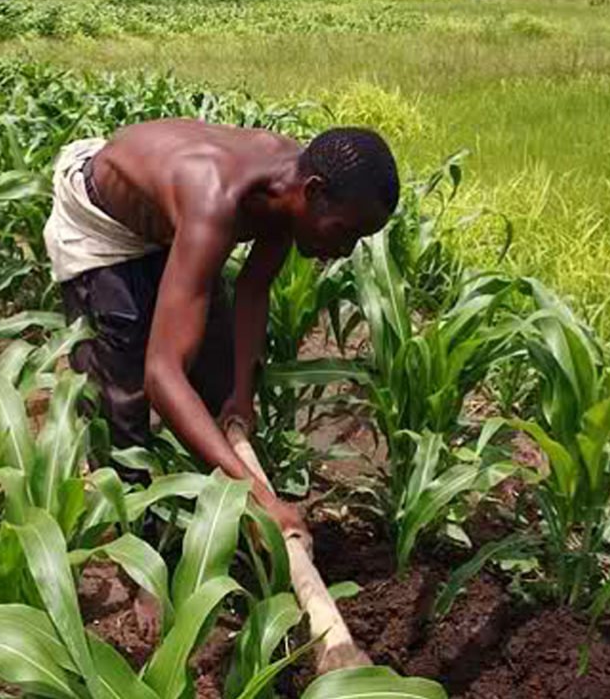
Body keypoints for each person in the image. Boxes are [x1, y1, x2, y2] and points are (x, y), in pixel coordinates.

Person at [45, 118, 399, 541]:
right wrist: (260, 499)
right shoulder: (217, 198)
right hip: (101, 223)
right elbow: (163, 376)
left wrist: (241, 394)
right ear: (313, 192)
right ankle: (133, 544)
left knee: (217, 375)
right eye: (344, 231)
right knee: (124, 400)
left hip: (170, 221)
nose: (345, 250)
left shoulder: (288, 189)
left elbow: (254, 288)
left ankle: (219, 513)